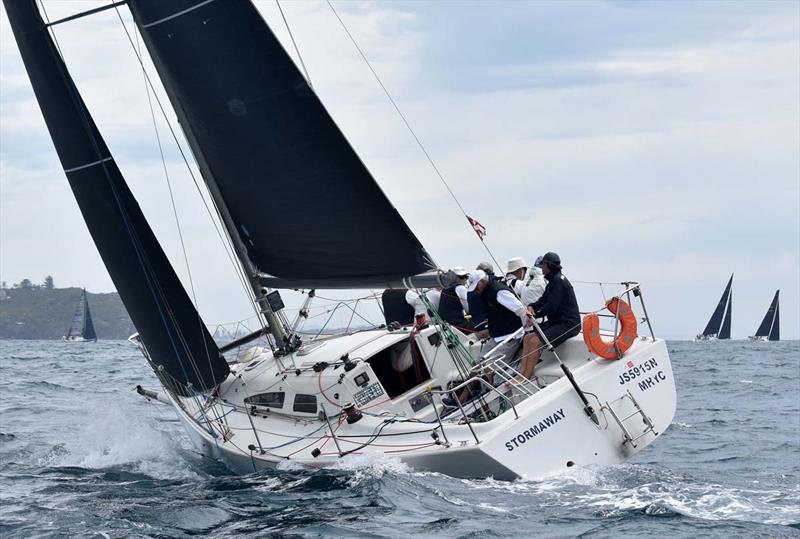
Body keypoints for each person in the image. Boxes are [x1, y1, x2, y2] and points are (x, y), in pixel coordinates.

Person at [442, 270, 527, 407]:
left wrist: (526, 330)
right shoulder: (485, 292)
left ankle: (487, 396)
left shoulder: (499, 292)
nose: (476, 290)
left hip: (509, 337)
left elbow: (520, 309)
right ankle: (461, 399)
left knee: (489, 367)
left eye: (476, 287)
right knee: (476, 366)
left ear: (482, 282)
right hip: (497, 337)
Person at [519, 252, 581, 381]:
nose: (541, 268)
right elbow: (543, 300)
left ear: (547, 265)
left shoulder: (558, 281)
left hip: (568, 324)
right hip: (557, 322)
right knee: (527, 338)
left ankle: (526, 376)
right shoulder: (553, 280)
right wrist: (532, 306)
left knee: (535, 342)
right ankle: (522, 373)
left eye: (543, 265)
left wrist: (535, 315)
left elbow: (552, 307)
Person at [436, 267, 472, 332]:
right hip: (458, 326)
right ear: (456, 278)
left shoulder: (444, 290)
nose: (465, 279)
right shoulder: (460, 288)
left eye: (466, 277)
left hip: (446, 327)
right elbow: (469, 309)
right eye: (463, 277)